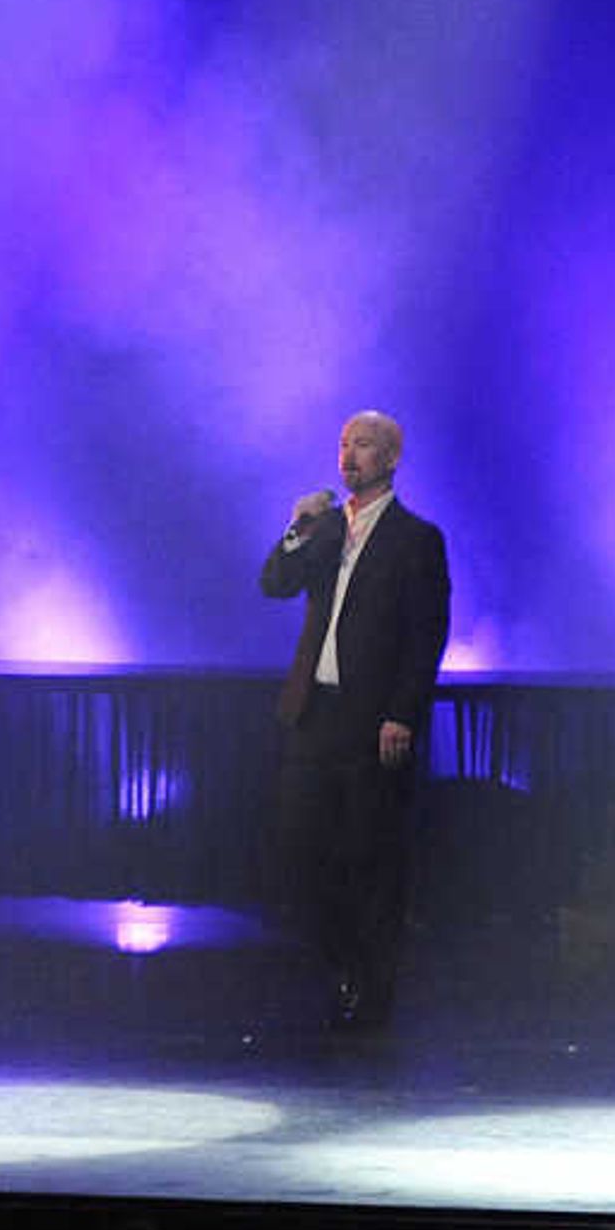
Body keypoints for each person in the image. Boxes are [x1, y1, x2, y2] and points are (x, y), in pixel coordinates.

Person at [260, 409, 450, 1031]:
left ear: (390, 458)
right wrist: (298, 525)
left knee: (371, 858)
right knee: (298, 854)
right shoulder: (323, 532)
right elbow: (274, 584)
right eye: (344, 443)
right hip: (315, 712)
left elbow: (426, 635)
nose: (349, 455)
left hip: (372, 719)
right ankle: (344, 964)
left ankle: (373, 988)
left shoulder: (416, 538)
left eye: (364, 445)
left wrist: (402, 713)